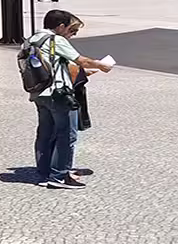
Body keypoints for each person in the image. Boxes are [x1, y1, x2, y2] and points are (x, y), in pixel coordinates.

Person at [23, 10, 113, 190]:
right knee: (66, 135)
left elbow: (50, 65)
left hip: (40, 93)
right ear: (61, 26)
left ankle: (44, 172)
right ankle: (59, 176)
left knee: (45, 133)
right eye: (72, 30)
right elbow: (81, 60)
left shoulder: (32, 40)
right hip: (59, 94)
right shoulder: (56, 40)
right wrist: (101, 65)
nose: (73, 35)